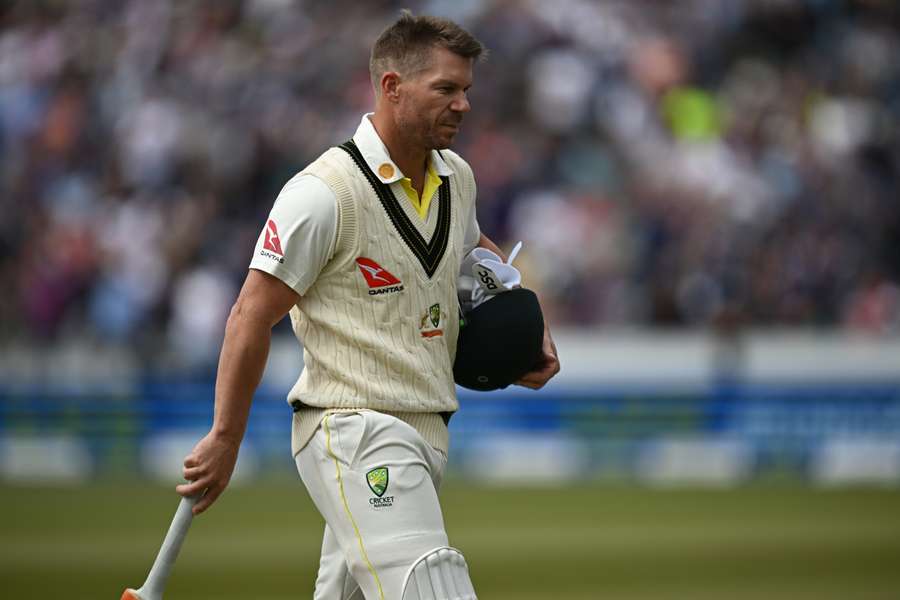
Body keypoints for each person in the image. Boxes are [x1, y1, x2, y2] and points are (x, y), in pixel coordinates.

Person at [176, 11, 559, 599]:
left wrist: (525, 318)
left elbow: (472, 245)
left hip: (427, 427)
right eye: (446, 90)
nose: (463, 105)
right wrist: (226, 437)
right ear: (391, 87)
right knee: (434, 586)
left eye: (466, 91)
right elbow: (250, 314)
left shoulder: (456, 177)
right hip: (354, 429)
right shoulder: (323, 193)